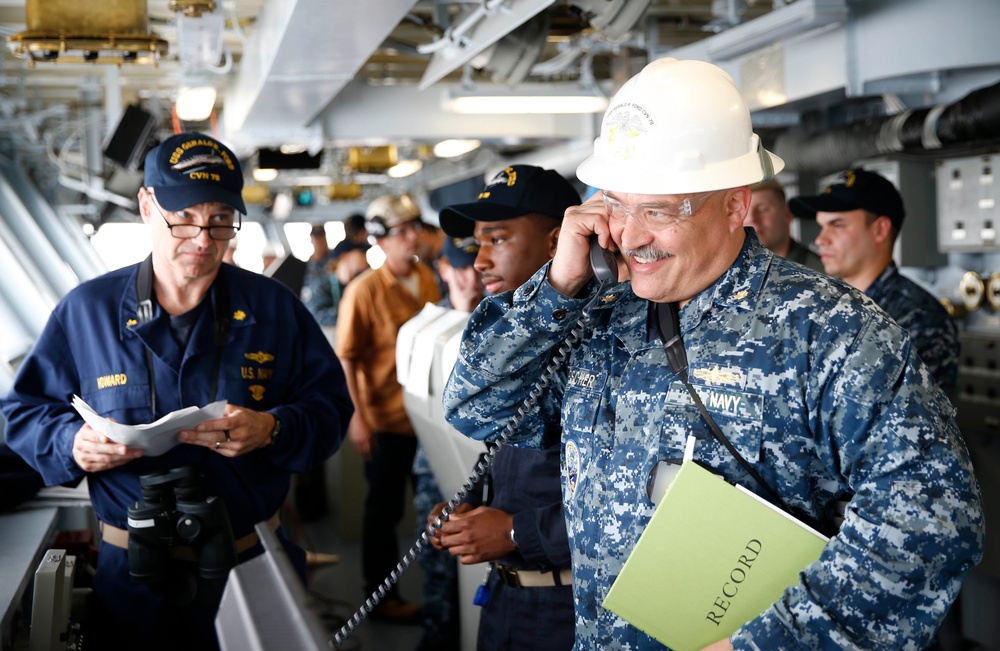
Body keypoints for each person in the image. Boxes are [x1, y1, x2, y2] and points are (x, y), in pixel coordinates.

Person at [441, 58, 984, 651]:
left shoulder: (831, 331)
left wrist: (763, 644)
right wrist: (555, 289)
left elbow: (930, 524)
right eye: (618, 206)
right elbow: (478, 408)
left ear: (734, 206)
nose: (631, 235)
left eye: (658, 210)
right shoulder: (595, 318)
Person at [0, 132, 353, 650]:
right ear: (147, 206)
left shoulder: (276, 310)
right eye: (184, 218)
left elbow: (330, 411)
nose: (204, 240)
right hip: (132, 578)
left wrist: (272, 428)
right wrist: (71, 443)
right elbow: (23, 413)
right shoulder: (87, 312)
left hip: (250, 564)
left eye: (219, 221)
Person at [429, 165, 578, 651]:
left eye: (497, 239)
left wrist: (517, 531)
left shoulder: (600, 340)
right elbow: (507, 445)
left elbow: (629, 503)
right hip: (506, 598)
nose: (480, 262)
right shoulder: (522, 346)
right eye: (477, 245)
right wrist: (470, 508)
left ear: (557, 243)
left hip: (568, 607)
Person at [334, 193, 441, 622]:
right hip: (385, 422)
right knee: (383, 513)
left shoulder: (428, 279)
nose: (410, 237)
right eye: (400, 232)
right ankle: (380, 599)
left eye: (413, 228)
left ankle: (441, 599)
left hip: (427, 421)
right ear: (379, 239)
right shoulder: (363, 291)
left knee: (434, 511)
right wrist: (357, 420)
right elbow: (348, 358)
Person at [789, 168, 960, 395]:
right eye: (822, 226)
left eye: (837, 225)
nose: (820, 239)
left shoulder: (918, 318)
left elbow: (908, 420)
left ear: (879, 229)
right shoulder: (820, 305)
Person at [410, 234, 483, 651]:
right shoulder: (433, 328)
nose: (470, 275)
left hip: (486, 470)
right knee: (439, 564)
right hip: (437, 462)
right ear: (444, 269)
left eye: (474, 264)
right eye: (459, 266)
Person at [745, 179, 823, 272]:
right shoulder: (735, 272)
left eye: (763, 209)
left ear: (787, 214)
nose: (751, 219)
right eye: (744, 212)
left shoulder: (819, 273)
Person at [301, 223, 339, 327]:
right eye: (317, 238)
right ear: (311, 240)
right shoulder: (305, 267)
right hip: (311, 320)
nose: (320, 242)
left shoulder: (337, 261)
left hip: (333, 318)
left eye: (322, 237)